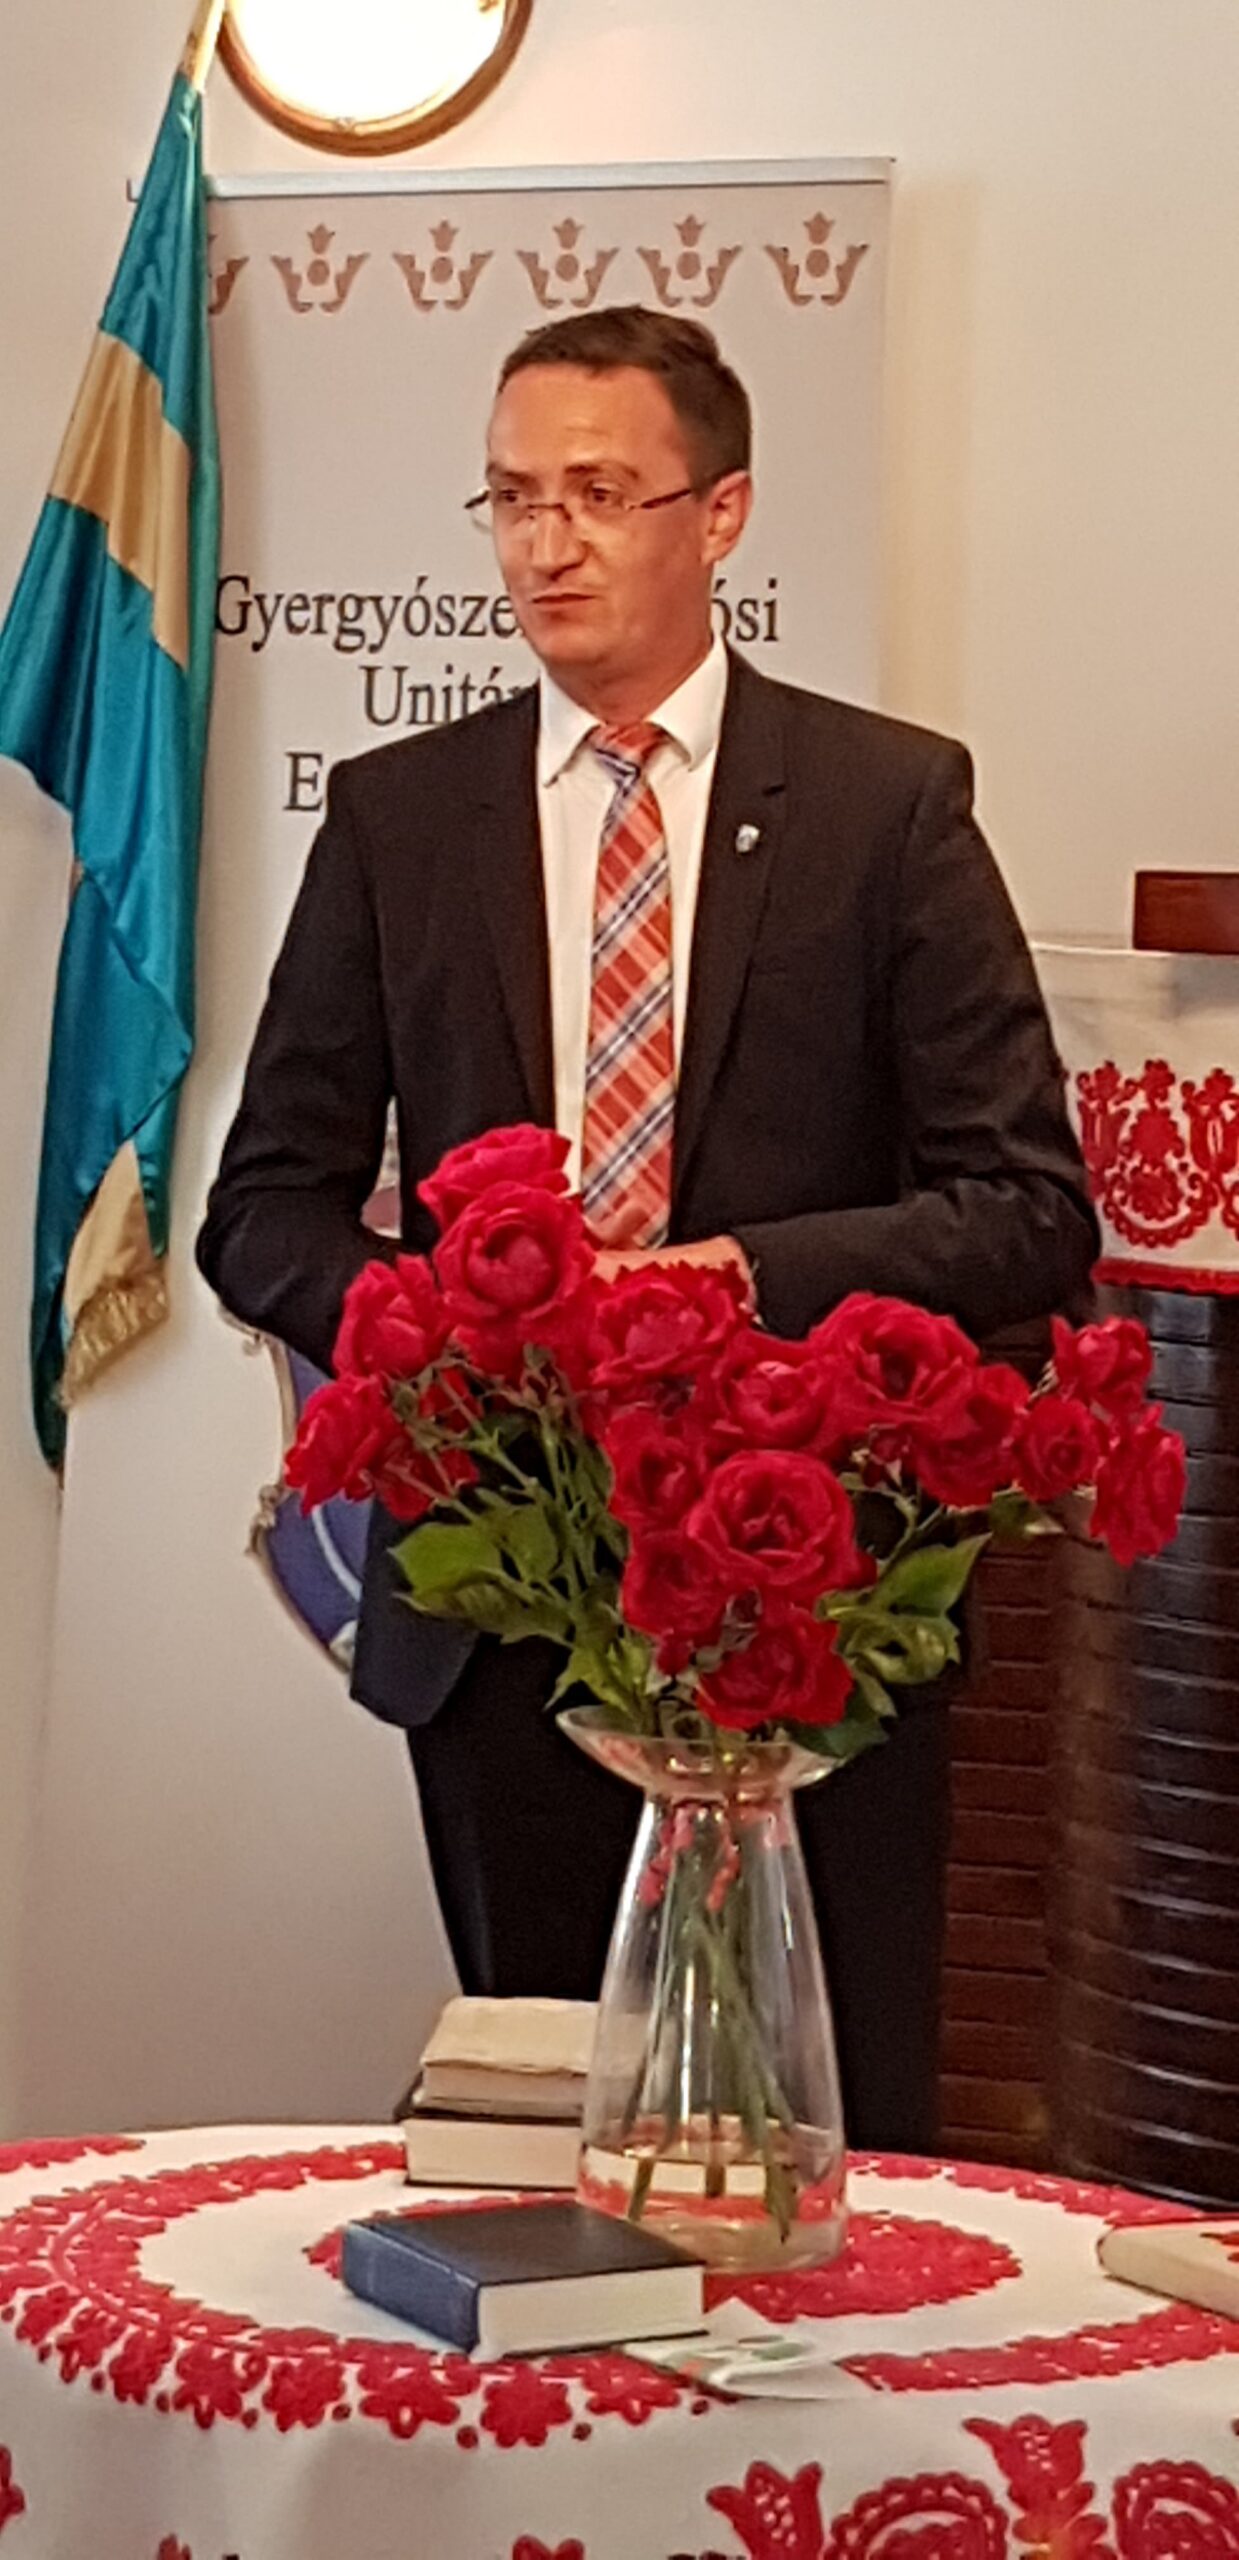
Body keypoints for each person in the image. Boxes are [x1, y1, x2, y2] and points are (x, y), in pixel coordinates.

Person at [197, 305, 1097, 2150]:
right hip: (506, 1607)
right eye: (514, 498)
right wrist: (448, 1330)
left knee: (822, 2155)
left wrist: (746, 1281)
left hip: (811, 1602)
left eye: (601, 494)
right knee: (557, 2158)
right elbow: (262, 1209)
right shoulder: (399, 818)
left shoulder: (884, 806)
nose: (548, 543)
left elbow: (1024, 1212)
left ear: (723, 513)